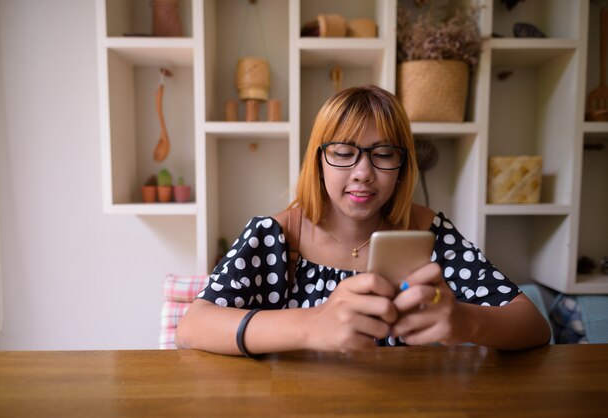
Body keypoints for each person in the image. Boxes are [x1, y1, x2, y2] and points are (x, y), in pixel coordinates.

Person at [176, 85, 551, 355]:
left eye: (383, 154)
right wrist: (312, 325)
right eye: (343, 153)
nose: (363, 172)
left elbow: (533, 325)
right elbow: (193, 327)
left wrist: (464, 322)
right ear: (319, 160)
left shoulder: (427, 232)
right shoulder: (275, 235)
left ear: (402, 166)